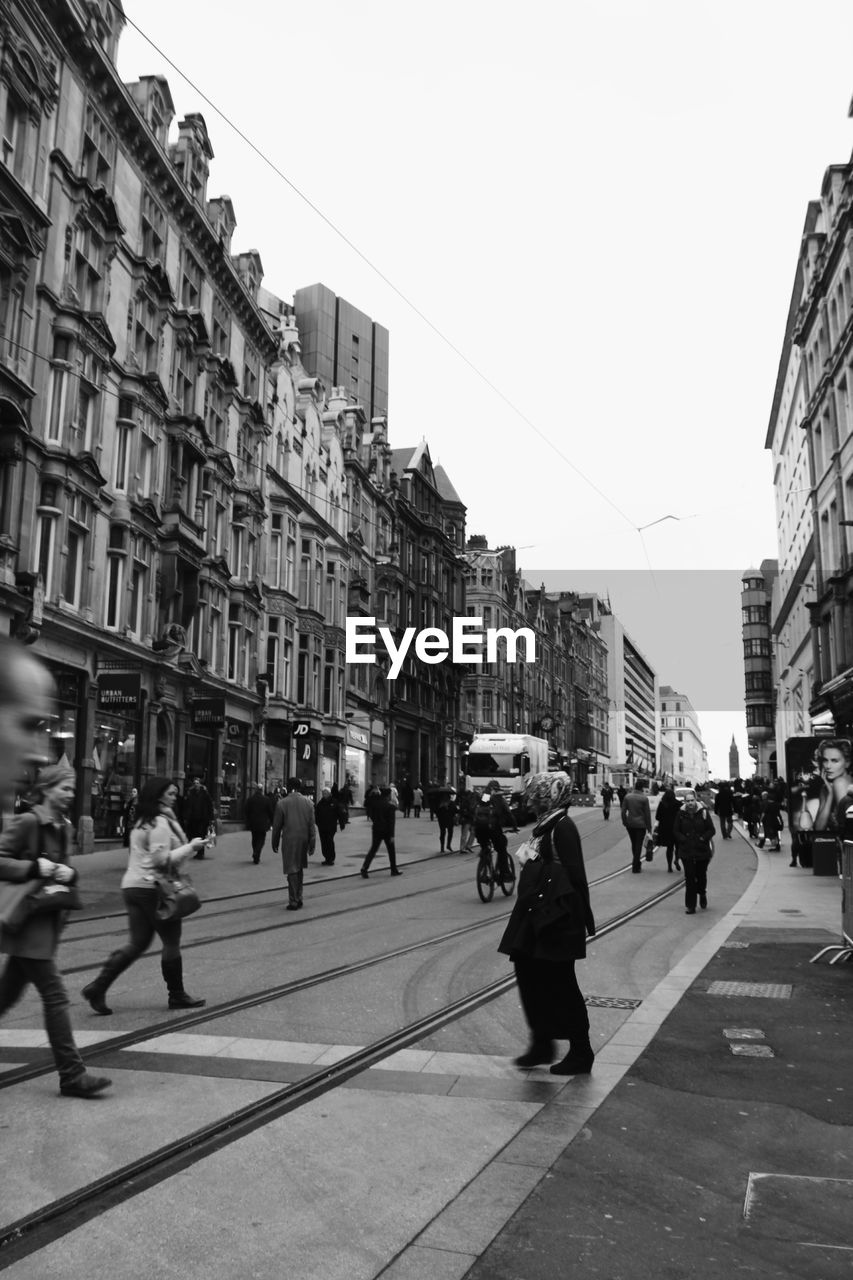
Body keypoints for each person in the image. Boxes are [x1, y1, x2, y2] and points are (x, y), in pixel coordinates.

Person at [1, 746, 111, 1098]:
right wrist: (35, 867)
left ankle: (71, 1074)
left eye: (72, 790)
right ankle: (72, 1074)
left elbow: (62, 872)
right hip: (28, 923)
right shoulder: (30, 821)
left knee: (4, 997)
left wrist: (69, 872)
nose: (70, 795)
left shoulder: (62, 827)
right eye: (65, 788)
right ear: (47, 789)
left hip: (42, 923)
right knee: (55, 996)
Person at [82, 777, 209, 1015]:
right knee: (171, 942)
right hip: (154, 889)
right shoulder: (160, 823)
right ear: (159, 795)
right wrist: (191, 846)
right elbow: (160, 860)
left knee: (138, 942)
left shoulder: (142, 821)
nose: (175, 797)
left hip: (132, 886)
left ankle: (98, 987)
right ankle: (177, 995)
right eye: (171, 793)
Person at [498, 781, 596, 1075]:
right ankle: (542, 1042)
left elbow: (575, 874)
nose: (529, 803)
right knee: (528, 973)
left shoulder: (563, 827)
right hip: (538, 913)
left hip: (557, 916)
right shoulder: (545, 827)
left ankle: (581, 1051)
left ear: (551, 797)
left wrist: (582, 918)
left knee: (562, 982)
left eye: (536, 797)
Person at [271, 777, 316, 910]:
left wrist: (274, 842)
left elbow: (277, 825)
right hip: (303, 839)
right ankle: (299, 896)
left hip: (290, 840)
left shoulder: (282, 803)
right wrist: (312, 842)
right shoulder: (308, 803)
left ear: (289, 787)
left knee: (292, 869)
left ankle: (294, 900)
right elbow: (312, 826)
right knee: (299, 868)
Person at [798, 739, 853, 834]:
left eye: (834, 761)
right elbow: (819, 828)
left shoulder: (841, 782)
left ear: (847, 763)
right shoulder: (826, 789)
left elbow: (848, 829)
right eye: (825, 760)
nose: (828, 766)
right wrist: (830, 794)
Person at [673, 794, 716, 914]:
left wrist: (703, 838)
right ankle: (690, 905)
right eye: (688, 801)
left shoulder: (703, 812)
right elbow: (676, 830)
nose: (690, 803)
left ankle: (702, 893)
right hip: (687, 851)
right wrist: (683, 839)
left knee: (701, 875)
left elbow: (711, 830)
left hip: (701, 850)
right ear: (685, 802)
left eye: (692, 800)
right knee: (690, 877)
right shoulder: (680, 814)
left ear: (695, 800)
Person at [474, 781, 516, 879]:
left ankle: (484, 862)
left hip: (479, 828)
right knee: (501, 848)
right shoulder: (500, 799)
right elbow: (509, 814)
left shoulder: (484, 797)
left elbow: (481, 805)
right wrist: (514, 826)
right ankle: (504, 872)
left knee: (484, 846)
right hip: (493, 829)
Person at [360, 785, 401, 878]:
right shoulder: (390, 806)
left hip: (376, 829)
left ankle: (364, 868)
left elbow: (368, 808)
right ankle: (393, 869)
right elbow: (391, 822)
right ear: (388, 795)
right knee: (391, 851)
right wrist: (392, 835)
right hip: (386, 831)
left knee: (373, 849)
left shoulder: (375, 804)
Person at [621, 780, 652, 873]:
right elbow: (647, 814)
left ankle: (636, 862)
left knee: (634, 844)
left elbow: (623, 812)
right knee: (638, 845)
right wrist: (649, 828)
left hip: (630, 824)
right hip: (641, 825)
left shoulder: (627, 797)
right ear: (642, 788)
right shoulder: (644, 798)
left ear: (634, 786)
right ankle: (635, 865)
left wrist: (625, 822)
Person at [182, 776, 215, 858]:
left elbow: (209, 806)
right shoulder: (190, 792)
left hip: (203, 818)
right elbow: (187, 805)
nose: (196, 785)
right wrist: (186, 816)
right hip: (193, 818)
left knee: (201, 835)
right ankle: (198, 852)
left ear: (200, 784)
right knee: (195, 835)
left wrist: (211, 818)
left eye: (197, 783)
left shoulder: (204, 793)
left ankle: (201, 853)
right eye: (195, 783)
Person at [654, 784, 681, 872]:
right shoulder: (678, 804)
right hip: (677, 828)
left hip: (666, 829)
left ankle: (669, 866)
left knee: (669, 848)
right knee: (678, 846)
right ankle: (677, 859)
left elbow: (657, 817)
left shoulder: (662, 804)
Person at [245, 782, 272, 865]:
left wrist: (248, 821)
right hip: (263, 824)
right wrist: (271, 822)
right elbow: (270, 812)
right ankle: (257, 853)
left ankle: (255, 853)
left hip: (253, 823)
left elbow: (246, 811)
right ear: (262, 790)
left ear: (256, 790)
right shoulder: (266, 800)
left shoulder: (250, 799)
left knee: (254, 839)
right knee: (261, 840)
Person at [315, 787, 340, 866]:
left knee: (329, 841)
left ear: (329, 794)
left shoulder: (334, 802)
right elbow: (316, 814)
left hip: (331, 826)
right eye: (323, 793)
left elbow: (339, 813)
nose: (324, 795)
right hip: (322, 827)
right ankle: (326, 857)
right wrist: (318, 823)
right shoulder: (320, 803)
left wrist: (341, 823)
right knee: (324, 842)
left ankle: (331, 858)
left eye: (325, 793)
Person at [436, 787, 457, 852]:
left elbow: (437, 812)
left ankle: (445, 846)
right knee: (447, 833)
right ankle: (446, 846)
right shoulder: (449, 803)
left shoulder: (441, 804)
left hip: (444, 820)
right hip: (447, 820)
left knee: (445, 833)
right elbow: (455, 810)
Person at [457, 787, 477, 851]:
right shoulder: (467, 802)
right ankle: (466, 846)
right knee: (470, 833)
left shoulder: (465, 802)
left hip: (468, 819)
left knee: (466, 833)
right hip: (468, 819)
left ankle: (464, 847)